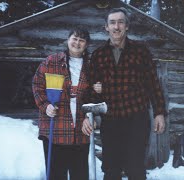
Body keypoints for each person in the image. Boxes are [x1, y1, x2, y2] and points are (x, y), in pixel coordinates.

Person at [82, 7, 167, 180]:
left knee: (135, 168)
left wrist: (159, 112)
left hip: (136, 118)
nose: (116, 26)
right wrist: (87, 115)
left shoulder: (140, 51)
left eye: (120, 22)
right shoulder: (98, 55)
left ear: (127, 26)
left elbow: (153, 83)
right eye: (112, 22)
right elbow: (92, 89)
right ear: (106, 27)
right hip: (111, 120)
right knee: (111, 169)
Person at [32, 27, 91, 180]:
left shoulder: (91, 66)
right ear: (68, 40)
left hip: (80, 131)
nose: (77, 43)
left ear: (86, 45)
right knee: (56, 176)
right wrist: (46, 106)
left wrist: (90, 116)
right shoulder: (52, 61)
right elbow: (37, 85)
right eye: (74, 38)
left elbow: (95, 96)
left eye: (82, 40)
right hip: (55, 130)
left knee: (80, 175)